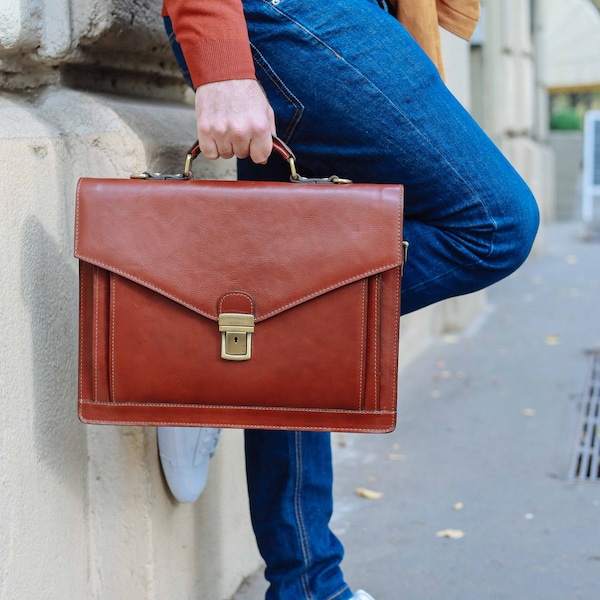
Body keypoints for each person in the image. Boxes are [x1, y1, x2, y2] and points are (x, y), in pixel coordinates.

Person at [156, 1, 540, 599]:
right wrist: (221, 56)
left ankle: (310, 587)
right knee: (494, 224)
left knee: (294, 270)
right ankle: (214, 344)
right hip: (290, 11)